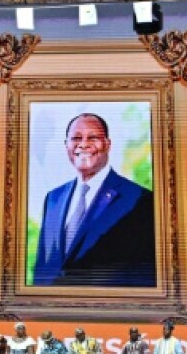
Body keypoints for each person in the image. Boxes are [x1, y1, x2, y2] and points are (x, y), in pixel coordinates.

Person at [32, 112, 156, 288]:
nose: (83, 144)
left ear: (107, 144)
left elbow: (145, 272)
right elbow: (42, 269)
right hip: (52, 312)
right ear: (66, 145)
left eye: (93, 137)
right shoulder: (53, 199)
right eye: (76, 138)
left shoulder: (139, 199)